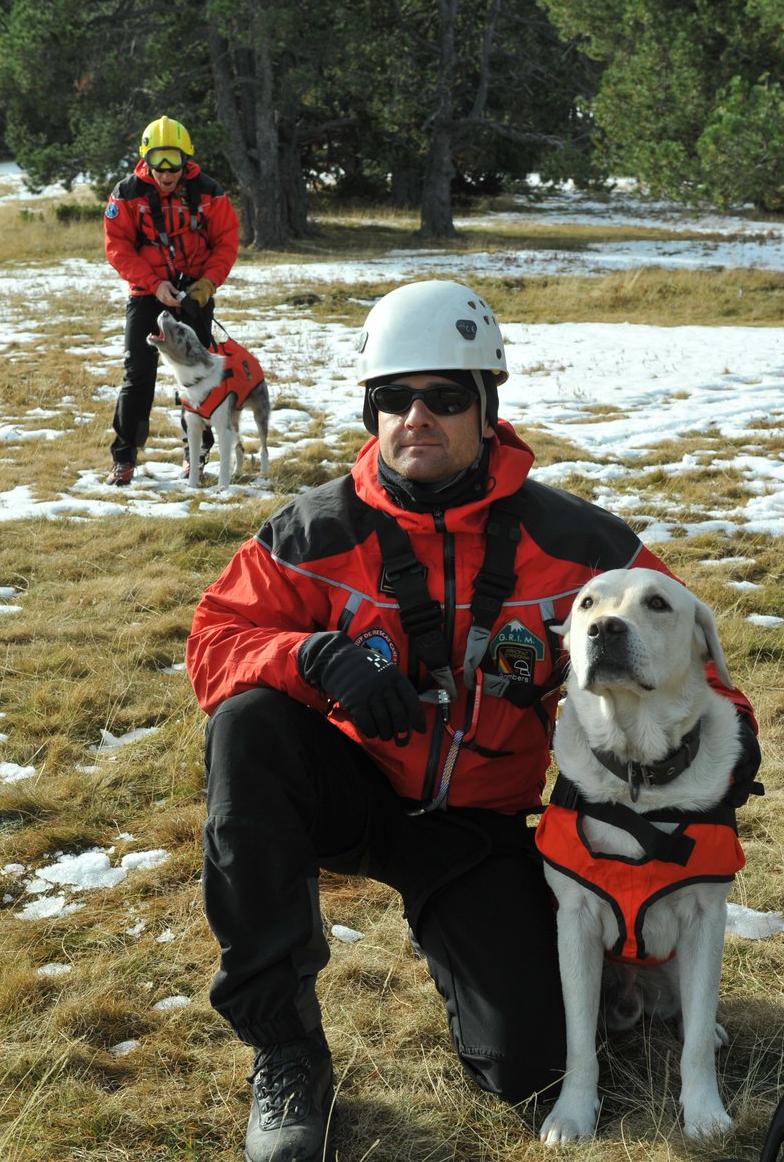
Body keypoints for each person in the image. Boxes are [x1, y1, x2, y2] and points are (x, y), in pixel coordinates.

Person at [185, 280, 761, 1162]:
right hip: (350, 793)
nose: (418, 417)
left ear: (487, 409)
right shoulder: (308, 533)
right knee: (249, 724)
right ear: (370, 411)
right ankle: (286, 1051)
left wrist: (737, 732)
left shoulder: (581, 546)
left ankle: (486, 971)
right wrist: (308, 658)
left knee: (528, 1073)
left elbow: (685, 649)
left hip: (479, 826)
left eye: (446, 397)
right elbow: (215, 641)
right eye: (393, 398)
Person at [103, 115, 240, 486]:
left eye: (174, 162)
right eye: (159, 161)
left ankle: (196, 453)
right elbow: (118, 248)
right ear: (145, 158)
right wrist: (152, 284)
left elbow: (226, 242)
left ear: (186, 158)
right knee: (138, 376)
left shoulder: (210, 192)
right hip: (147, 295)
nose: (166, 172)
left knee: (199, 375)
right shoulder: (127, 194)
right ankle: (124, 458)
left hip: (194, 294)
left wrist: (208, 283)